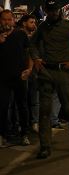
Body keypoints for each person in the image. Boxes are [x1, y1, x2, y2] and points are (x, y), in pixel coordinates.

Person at [30, 0, 69, 159]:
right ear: (45, 10)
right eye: (50, 10)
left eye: (55, 10)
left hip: (64, 72)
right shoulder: (42, 27)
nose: (53, 13)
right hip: (46, 72)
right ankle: (45, 146)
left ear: (59, 10)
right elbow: (32, 44)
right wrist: (36, 58)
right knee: (44, 111)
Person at [0, 10, 33, 146]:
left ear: (13, 20)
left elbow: (28, 53)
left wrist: (29, 69)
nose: (7, 22)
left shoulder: (21, 34)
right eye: (4, 19)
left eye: (9, 19)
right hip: (2, 78)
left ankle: (24, 133)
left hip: (20, 76)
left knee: (22, 106)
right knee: (2, 106)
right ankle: (3, 134)